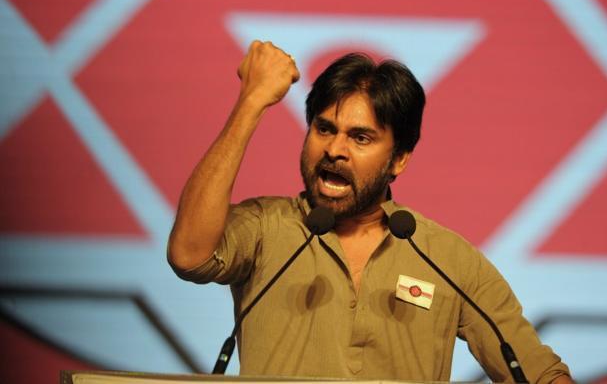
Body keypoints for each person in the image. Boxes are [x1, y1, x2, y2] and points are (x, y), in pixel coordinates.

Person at [168, 40, 573, 383]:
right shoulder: (265, 227)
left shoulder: (447, 258)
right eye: (324, 129)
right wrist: (251, 102)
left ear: (399, 159)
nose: (334, 149)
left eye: (360, 138)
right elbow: (189, 255)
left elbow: (539, 373)